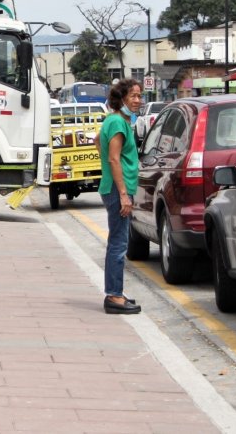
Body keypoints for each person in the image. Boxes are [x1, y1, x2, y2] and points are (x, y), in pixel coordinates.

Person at [98, 78, 143, 314]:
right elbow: (114, 158)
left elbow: (98, 142)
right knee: (119, 243)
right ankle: (113, 296)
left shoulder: (114, 121)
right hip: (118, 189)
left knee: (117, 241)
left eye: (139, 96)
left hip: (115, 186)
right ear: (121, 98)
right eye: (133, 96)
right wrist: (124, 195)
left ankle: (115, 291)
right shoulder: (117, 122)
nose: (138, 100)